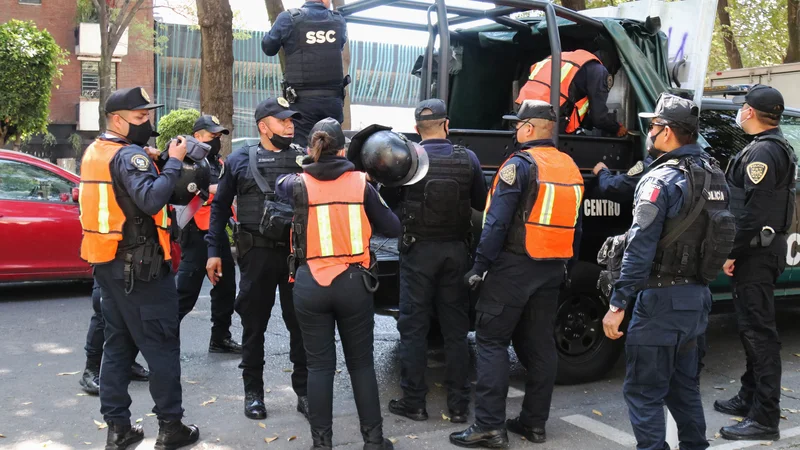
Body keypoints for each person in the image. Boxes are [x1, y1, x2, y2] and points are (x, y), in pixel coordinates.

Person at [450, 100, 584, 448]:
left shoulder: (519, 165)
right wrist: (568, 262)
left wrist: (480, 266)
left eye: (517, 125)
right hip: (552, 267)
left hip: (514, 265)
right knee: (540, 346)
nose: (515, 131)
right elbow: (576, 226)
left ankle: (490, 427)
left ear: (527, 128)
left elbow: (496, 221)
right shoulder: (570, 167)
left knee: (492, 341)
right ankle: (534, 424)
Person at [602, 93, 732, 450]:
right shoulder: (714, 175)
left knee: (644, 393)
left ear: (668, 132)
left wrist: (618, 304)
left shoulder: (660, 180)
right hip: (697, 300)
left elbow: (640, 247)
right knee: (683, 388)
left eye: (653, 125)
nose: (649, 131)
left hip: (660, 301)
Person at [78, 87, 199, 450]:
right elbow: (150, 199)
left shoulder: (97, 150)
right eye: (141, 116)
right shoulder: (129, 156)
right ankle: (170, 427)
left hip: (107, 262)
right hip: (141, 268)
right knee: (161, 346)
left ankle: (119, 430)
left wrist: (151, 161)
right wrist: (174, 161)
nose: (149, 122)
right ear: (118, 119)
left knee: (118, 346)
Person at [275, 118, 401, 450]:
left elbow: (279, 186)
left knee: (319, 367)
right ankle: (373, 441)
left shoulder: (297, 183)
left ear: (312, 149)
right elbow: (392, 227)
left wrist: (307, 164)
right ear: (343, 149)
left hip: (310, 283)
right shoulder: (361, 183)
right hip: (353, 282)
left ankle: (322, 444)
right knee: (361, 365)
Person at [205, 97, 309, 421]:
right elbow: (220, 208)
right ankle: (253, 393)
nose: (290, 125)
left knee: (301, 327)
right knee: (254, 327)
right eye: (283, 121)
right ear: (264, 126)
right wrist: (212, 252)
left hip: (296, 255)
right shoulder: (238, 160)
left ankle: (304, 393)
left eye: (292, 120)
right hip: (256, 254)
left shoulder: (304, 159)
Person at [388, 99, 486, 424]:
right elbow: (481, 201)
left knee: (413, 329)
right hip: (456, 252)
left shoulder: (407, 159)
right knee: (456, 331)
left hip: (418, 252)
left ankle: (414, 402)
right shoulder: (468, 158)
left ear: (417, 129)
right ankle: (459, 407)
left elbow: (389, 202)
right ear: (447, 124)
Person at [716, 85, 796, 441]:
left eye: (742, 106)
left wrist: (732, 251)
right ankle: (750, 396)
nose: (740, 111)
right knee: (751, 329)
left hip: (756, 253)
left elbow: (754, 214)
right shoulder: (768, 146)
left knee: (759, 333)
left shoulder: (764, 151)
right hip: (759, 251)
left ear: (750, 112)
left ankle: (765, 417)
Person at [175, 115, 241, 354]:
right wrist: (212, 189)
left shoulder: (217, 162)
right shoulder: (188, 161)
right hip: (195, 233)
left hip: (216, 232)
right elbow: (182, 192)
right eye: (212, 135)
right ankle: (160, 342)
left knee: (226, 288)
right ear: (197, 136)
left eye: (218, 136)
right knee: (184, 294)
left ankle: (220, 337)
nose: (216, 140)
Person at [261, 0, 348, 148]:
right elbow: (338, 45)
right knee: (332, 150)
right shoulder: (338, 20)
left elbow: (268, 47)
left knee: (302, 152)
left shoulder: (289, 19)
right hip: (332, 102)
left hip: (302, 103)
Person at [516, 48, 627, 136]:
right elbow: (599, 118)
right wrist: (616, 128)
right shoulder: (599, 70)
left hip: (521, 113)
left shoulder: (567, 58)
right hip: (548, 120)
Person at [79, 279, 150, 395]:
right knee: (102, 309)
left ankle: (127, 363)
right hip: (108, 267)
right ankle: (90, 370)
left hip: (138, 268)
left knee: (136, 311)